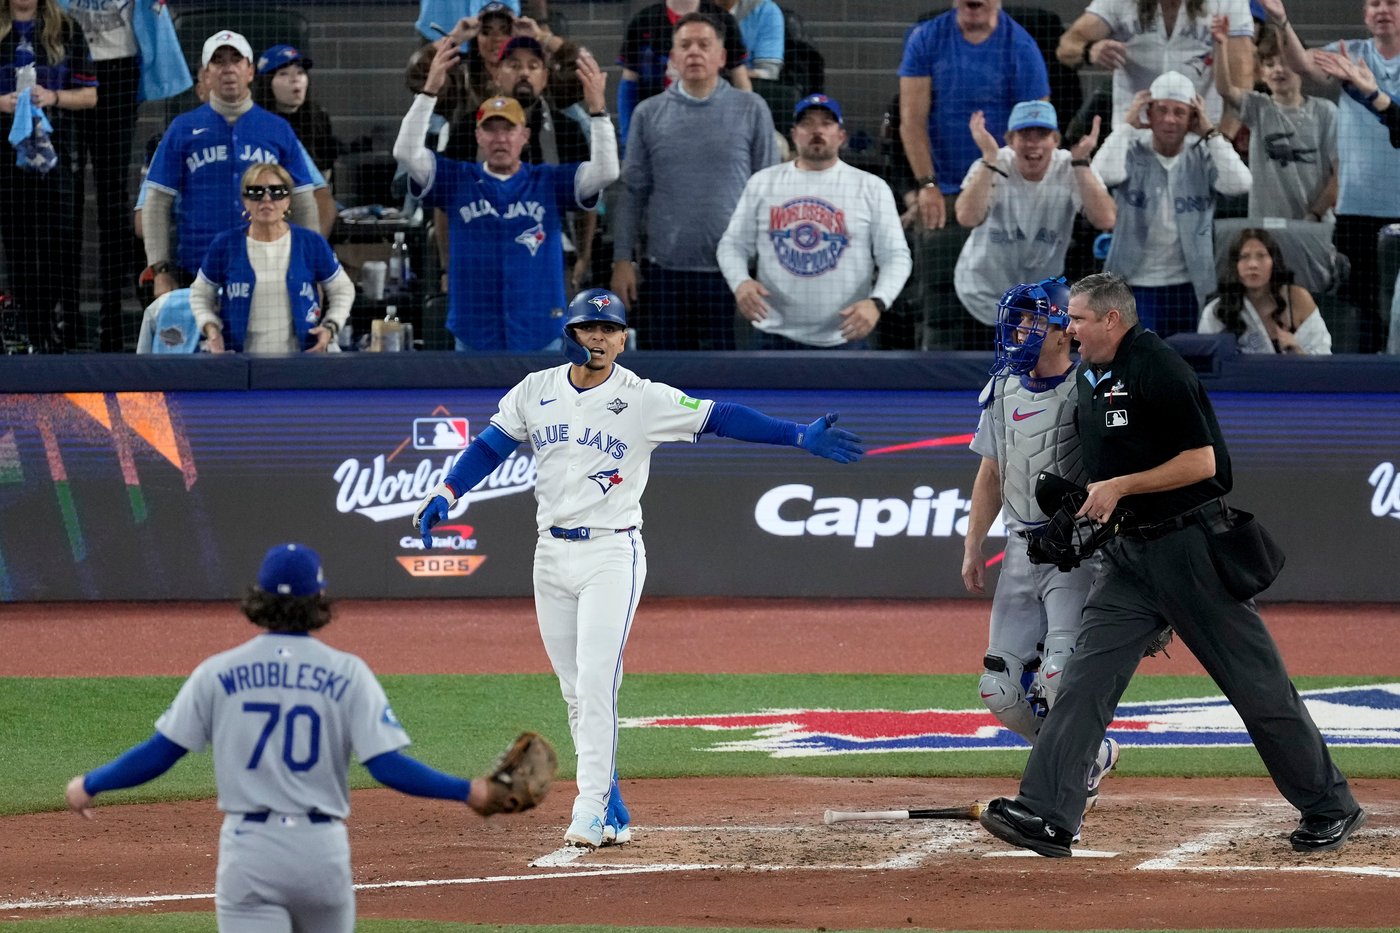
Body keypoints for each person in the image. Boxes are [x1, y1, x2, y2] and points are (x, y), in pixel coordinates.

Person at [411, 287, 865, 849]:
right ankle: (611, 796)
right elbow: (490, 446)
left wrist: (796, 435)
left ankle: (588, 808)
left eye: (608, 330)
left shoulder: (642, 398)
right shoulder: (537, 389)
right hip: (548, 553)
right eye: (587, 328)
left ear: (624, 340)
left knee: (598, 680)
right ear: (570, 335)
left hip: (611, 553)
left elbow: (721, 417)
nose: (597, 338)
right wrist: (448, 492)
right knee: (576, 690)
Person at [979, 271, 1366, 858]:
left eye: (1078, 318)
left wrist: (1121, 486)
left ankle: (1329, 804)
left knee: (1256, 687)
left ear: (1112, 319)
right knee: (1082, 682)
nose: (1068, 327)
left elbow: (1203, 462)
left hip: (1190, 553)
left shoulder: (1158, 367)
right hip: (1129, 559)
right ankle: (1049, 812)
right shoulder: (1090, 372)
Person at [65, 542, 524, 931]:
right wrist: (469, 790)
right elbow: (387, 766)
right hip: (319, 853)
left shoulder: (217, 672)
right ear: (319, 599)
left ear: (258, 598)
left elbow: (160, 754)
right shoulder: (348, 673)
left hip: (249, 852)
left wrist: (91, 783)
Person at [961, 279, 1119, 820]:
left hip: (1076, 554)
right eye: (1018, 320)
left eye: (1031, 321)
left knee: (1057, 676)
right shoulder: (1002, 387)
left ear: (1061, 331)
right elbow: (990, 472)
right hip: (1020, 550)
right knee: (998, 688)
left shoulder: (1091, 388)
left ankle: (1066, 776)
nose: (1020, 331)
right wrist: (972, 543)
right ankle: (1090, 753)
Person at [393, 38, 616, 351]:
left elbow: (607, 172)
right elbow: (405, 152)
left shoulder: (548, 182)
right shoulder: (456, 178)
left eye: (508, 129)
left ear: (524, 136)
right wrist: (429, 91)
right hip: (475, 328)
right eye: (491, 129)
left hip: (540, 328)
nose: (500, 138)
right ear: (478, 136)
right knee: (476, 403)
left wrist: (598, 110)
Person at [611, 11, 777, 350]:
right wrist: (622, 260)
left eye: (704, 44)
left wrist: (766, 267)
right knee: (664, 389)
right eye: (685, 45)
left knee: (728, 387)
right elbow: (632, 192)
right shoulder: (648, 113)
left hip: (733, 279)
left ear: (722, 57)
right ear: (672, 58)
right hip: (664, 275)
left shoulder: (752, 108)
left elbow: (769, 194)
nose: (694, 52)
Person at [716, 93, 912, 348]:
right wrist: (740, 282)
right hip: (773, 335)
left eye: (826, 123)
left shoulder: (872, 188)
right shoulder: (763, 183)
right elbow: (732, 245)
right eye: (807, 123)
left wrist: (877, 302)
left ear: (841, 136)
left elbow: (896, 255)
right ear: (794, 134)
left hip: (846, 334)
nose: (816, 130)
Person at [1262, 0, 1400, 352]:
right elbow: (1304, 64)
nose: (1383, 9)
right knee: (1362, 308)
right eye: (1374, 3)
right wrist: (1281, 21)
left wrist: (1373, 94)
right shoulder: (1348, 54)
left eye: (1392, 3)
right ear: (1365, 14)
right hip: (1357, 209)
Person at [142, 30, 318, 298]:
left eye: (236, 60)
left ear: (249, 72)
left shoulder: (278, 129)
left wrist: (311, 265)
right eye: (218, 62)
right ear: (206, 75)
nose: (228, 69)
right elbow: (156, 201)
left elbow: (305, 200)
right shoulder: (182, 129)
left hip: (270, 269)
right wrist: (160, 269)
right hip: (198, 272)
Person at [61, 0, 192, 352]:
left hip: (120, 70)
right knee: (66, 199)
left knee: (112, 199)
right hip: (67, 67)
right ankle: (69, 320)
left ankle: (112, 324)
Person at [1092, 71, 1251, 337]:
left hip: (1189, 284)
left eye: (1179, 112)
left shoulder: (1202, 154)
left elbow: (1241, 183)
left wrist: (1211, 134)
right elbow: (1100, 176)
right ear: (1149, 114)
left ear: (1192, 118)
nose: (1169, 119)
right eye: (1161, 110)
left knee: (1184, 365)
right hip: (1133, 284)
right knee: (1141, 363)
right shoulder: (1131, 150)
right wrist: (1126, 126)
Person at [953, 100, 1115, 336]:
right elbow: (967, 217)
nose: (1033, 143)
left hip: (1038, 304)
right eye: (1024, 135)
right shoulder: (991, 163)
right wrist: (989, 157)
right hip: (981, 295)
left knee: (1035, 373)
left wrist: (1081, 162)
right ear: (1010, 141)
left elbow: (1106, 220)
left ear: (1055, 141)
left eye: (1042, 134)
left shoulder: (1072, 166)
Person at [897, 0, 1051, 232]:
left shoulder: (1022, 47)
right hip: (941, 191)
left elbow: (1038, 131)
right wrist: (927, 184)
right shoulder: (925, 39)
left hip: (1004, 190)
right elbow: (911, 122)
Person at [0, 0, 97, 354]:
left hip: (57, 157)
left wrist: (53, 96)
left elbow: (90, 95)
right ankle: (27, 331)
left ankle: (61, 330)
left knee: (61, 243)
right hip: (7, 159)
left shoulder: (66, 30)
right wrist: (3, 103)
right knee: (19, 245)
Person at [191, 162, 353, 354]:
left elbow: (343, 289)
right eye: (256, 192)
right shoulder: (225, 245)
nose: (266, 199)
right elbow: (200, 294)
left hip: (302, 361)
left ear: (287, 200)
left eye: (277, 192)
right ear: (245, 201)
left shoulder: (310, 243)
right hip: (239, 364)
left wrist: (330, 327)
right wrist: (211, 329)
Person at [1211, 17, 1336, 223]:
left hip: (1315, 225)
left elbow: (1339, 176)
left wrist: (1315, 214)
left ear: (1301, 66)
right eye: (1270, 64)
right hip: (1264, 226)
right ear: (1262, 73)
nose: (1278, 70)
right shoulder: (1257, 107)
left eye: (1286, 63)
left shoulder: (1326, 112)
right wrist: (1221, 44)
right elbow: (1225, 89)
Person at [1056, 0, 1255, 128]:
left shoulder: (1228, 2)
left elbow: (1242, 81)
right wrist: (1089, 50)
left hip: (1201, 132)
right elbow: (1066, 46)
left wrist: (1225, 138)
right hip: (1135, 131)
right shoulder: (1118, 3)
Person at [616, 0, 751, 149]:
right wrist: (628, 137)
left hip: (716, 125)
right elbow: (628, 84)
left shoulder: (723, 20)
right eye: (685, 45)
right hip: (657, 128)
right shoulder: (643, 21)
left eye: (703, 45)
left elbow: (741, 80)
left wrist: (745, 126)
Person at [1199, 227, 1332, 354]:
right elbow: (1206, 366)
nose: (1253, 265)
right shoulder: (1216, 311)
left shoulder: (1297, 299)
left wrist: (1296, 350)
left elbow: (1324, 358)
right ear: (1235, 266)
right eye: (1244, 257)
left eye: (1261, 256)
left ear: (1274, 262)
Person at [254, 44, 339, 238]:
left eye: (300, 72)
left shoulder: (318, 117)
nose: (295, 79)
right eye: (284, 74)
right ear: (267, 83)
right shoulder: (258, 124)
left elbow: (323, 190)